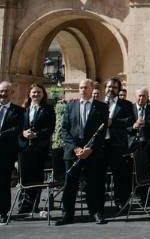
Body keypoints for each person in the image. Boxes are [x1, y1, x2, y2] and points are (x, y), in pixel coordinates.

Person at [57, 79, 110, 225]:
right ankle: (67, 215)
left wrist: (90, 149)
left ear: (92, 88)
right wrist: (75, 148)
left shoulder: (101, 107)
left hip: (92, 151)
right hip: (73, 151)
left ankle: (96, 213)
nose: (82, 90)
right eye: (80, 87)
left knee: (94, 183)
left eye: (85, 87)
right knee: (70, 183)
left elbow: (102, 131)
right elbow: (64, 129)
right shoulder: (70, 105)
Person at [17, 84, 55, 216]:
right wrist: (23, 133)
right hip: (24, 149)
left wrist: (36, 135)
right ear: (29, 94)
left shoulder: (48, 109)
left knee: (37, 178)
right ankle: (23, 205)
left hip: (40, 149)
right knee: (24, 178)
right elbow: (17, 128)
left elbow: (50, 129)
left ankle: (34, 205)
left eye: (39, 92)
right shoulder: (23, 110)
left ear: (43, 94)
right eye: (34, 92)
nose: (36, 95)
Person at [103, 77, 135, 210]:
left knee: (120, 176)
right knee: (99, 175)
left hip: (117, 145)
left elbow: (130, 121)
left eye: (114, 87)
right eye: (109, 86)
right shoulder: (98, 103)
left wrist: (113, 122)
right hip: (101, 145)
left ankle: (122, 202)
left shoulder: (126, 104)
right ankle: (99, 205)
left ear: (119, 89)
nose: (111, 89)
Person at [0, 81, 23, 224]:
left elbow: (18, 129)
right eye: (1, 91)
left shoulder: (19, 111)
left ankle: (3, 211)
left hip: (6, 153)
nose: (3, 94)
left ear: (12, 93)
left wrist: (1, 134)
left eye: (6, 91)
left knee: (3, 183)